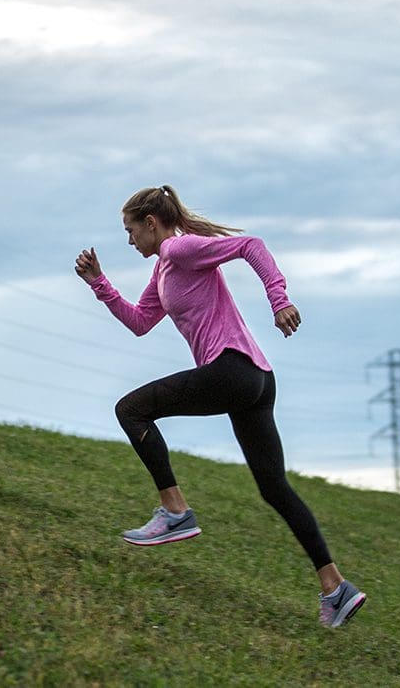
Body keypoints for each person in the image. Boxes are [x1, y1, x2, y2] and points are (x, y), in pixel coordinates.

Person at [74, 185, 365, 628]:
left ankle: (175, 512)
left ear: (151, 223)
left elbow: (251, 245)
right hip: (256, 380)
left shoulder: (181, 249)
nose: (130, 241)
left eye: (131, 231)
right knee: (274, 488)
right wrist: (100, 283)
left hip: (233, 370)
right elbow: (139, 322)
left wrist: (279, 299)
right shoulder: (164, 272)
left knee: (130, 410)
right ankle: (335, 587)